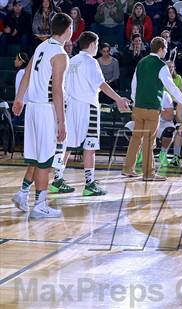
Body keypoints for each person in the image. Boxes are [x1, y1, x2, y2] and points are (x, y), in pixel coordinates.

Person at [49, 31, 130, 196]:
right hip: (87, 106)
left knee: (67, 144)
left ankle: (57, 180)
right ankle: (89, 184)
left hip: (69, 106)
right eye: (98, 44)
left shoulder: (72, 61)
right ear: (93, 44)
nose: (98, 48)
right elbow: (102, 84)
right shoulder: (91, 62)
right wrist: (119, 99)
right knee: (90, 146)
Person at [12, 13, 73, 218]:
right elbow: (57, 90)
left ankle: (22, 194)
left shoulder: (41, 46)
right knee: (46, 159)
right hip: (46, 110)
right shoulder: (60, 54)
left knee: (37, 156)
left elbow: (27, 73)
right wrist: (62, 121)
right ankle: (40, 205)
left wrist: (19, 99)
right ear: (68, 30)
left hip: (32, 108)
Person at [123, 36, 182, 180]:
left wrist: (136, 101)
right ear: (161, 49)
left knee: (136, 138)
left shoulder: (141, 62)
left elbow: (133, 85)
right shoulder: (161, 66)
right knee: (149, 140)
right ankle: (148, 173)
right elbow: (171, 87)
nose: (166, 51)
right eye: (166, 48)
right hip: (152, 108)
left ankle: (128, 169)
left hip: (138, 107)